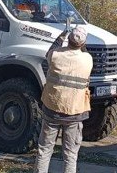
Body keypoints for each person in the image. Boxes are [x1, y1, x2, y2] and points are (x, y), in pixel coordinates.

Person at [34, 27, 93, 173]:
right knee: (70, 155)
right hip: (75, 111)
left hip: (52, 109)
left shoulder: (55, 55)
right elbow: (83, 52)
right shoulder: (87, 59)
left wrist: (62, 35)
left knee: (44, 150)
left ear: (69, 40)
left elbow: (50, 52)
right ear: (83, 43)